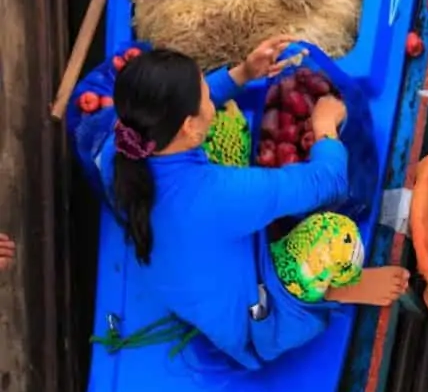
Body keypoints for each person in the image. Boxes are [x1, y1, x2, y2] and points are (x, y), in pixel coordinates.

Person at [104, 38, 409, 368]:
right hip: (257, 324)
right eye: (205, 95)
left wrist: (243, 74)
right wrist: (323, 127)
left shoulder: (123, 149)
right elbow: (328, 182)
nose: (211, 94)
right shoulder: (216, 195)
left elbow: (193, 126)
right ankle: (331, 291)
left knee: (227, 128)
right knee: (335, 233)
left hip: (203, 275)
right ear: (188, 127)